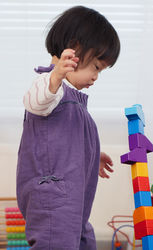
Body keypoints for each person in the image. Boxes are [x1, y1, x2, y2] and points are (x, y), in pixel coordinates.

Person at [16, 6, 120, 250]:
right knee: (56, 242)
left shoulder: (72, 98)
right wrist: (54, 78)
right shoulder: (48, 85)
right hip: (52, 196)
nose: (96, 77)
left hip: (74, 198)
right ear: (74, 52)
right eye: (96, 67)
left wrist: (92, 155)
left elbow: (68, 138)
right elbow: (34, 102)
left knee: (83, 240)